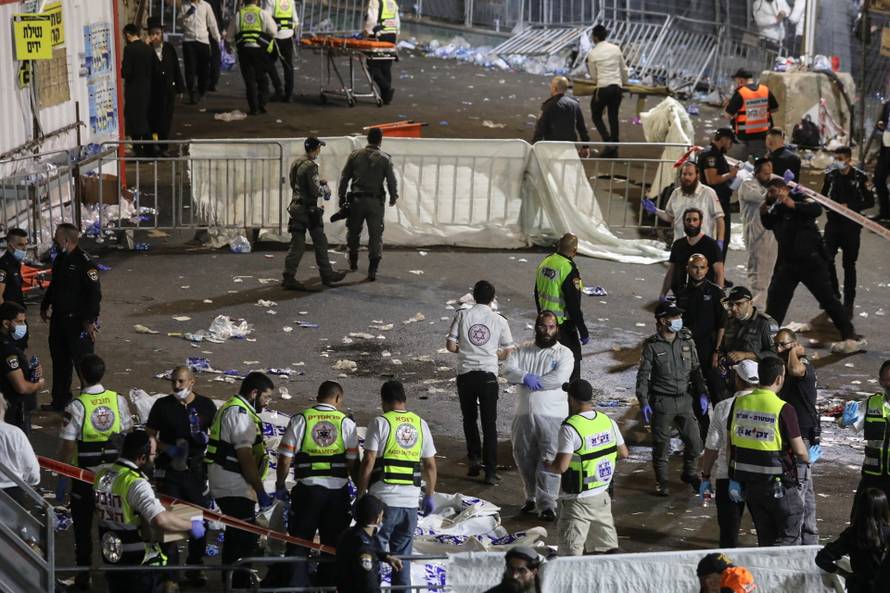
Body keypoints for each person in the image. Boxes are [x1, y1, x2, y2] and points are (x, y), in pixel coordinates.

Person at [271, 381, 358, 588]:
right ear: (338, 398)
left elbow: (284, 459)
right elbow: (353, 463)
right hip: (337, 495)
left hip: (307, 492)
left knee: (299, 544)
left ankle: (295, 587)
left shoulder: (301, 419)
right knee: (333, 547)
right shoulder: (345, 423)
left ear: (318, 396)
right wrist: (360, 492)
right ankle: (328, 587)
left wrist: (280, 484)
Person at [94, 430, 205, 593]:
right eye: (153, 455)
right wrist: (191, 525)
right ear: (142, 457)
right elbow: (160, 519)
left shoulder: (103, 475)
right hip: (138, 563)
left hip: (112, 554)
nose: (154, 458)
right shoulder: (135, 482)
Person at [57, 353, 133, 591]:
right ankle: (114, 574)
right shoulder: (117, 400)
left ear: (81, 375)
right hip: (113, 479)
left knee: (82, 527)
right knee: (112, 526)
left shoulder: (76, 406)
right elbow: (127, 433)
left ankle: (84, 574)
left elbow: (68, 445)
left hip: (84, 477)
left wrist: (62, 475)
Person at [761, 178, 861, 350]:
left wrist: (794, 205)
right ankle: (767, 338)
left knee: (827, 299)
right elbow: (769, 224)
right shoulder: (777, 208)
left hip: (810, 262)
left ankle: (848, 334)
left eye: (775, 191)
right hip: (789, 263)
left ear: (784, 189)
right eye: (770, 192)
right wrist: (764, 212)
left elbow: (816, 210)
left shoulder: (800, 197)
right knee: (776, 298)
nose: (772, 195)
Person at [356, 380, 437, 591]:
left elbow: (369, 459)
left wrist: (361, 493)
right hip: (410, 505)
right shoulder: (420, 423)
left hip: (383, 504)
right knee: (402, 562)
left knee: (372, 557)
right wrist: (429, 495)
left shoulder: (380, 422)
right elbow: (430, 465)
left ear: (383, 400)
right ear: (404, 399)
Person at [728, 356, 812, 546]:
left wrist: (733, 477)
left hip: (750, 485)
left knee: (765, 538)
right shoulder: (783, 408)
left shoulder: (738, 403)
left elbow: (730, 442)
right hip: (778, 485)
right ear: (779, 379)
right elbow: (800, 451)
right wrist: (809, 458)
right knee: (789, 535)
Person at [145, 366, 215, 589]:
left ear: (192, 382)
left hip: (195, 472)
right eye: (173, 381)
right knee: (171, 523)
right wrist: (166, 449)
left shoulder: (206, 406)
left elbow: (216, 434)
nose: (176, 386)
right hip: (170, 471)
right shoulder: (162, 406)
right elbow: (150, 434)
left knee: (199, 520)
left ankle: (195, 567)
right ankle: (171, 576)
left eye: (181, 382)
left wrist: (205, 439)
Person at [205, 372, 275, 589]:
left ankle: (231, 583)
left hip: (229, 482)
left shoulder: (233, 408)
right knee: (244, 539)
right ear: (254, 393)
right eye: (266, 397)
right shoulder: (240, 414)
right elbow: (245, 458)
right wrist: (260, 490)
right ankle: (239, 585)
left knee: (236, 536)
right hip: (233, 485)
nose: (267, 402)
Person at [505, 311, 574, 520]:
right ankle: (531, 497)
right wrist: (525, 376)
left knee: (549, 458)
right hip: (523, 414)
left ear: (557, 329)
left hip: (552, 415)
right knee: (524, 456)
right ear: (536, 327)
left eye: (551, 327)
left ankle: (548, 505)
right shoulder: (522, 350)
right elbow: (508, 370)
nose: (547, 331)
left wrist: (534, 382)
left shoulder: (564, 353)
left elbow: (559, 379)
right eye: (543, 326)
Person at [547, 379, 628, 555]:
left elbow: (561, 467)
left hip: (578, 501)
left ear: (572, 399)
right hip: (602, 497)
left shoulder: (570, 427)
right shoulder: (607, 421)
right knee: (607, 553)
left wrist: (548, 465)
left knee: (570, 554)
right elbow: (623, 453)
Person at [636, 301, 706, 497]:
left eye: (679, 316)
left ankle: (689, 473)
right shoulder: (652, 346)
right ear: (662, 320)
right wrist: (643, 401)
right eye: (674, 317)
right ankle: (662, 481)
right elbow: (643, 376)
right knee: (661, 446)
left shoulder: (686, 341)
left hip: (684, 400)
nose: (678, 320)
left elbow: (696, 369)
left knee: (695, 442)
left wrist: (702, 392)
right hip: (662, 402)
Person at [446, 280, 514, 484]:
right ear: (492, 299)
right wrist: (491, 355)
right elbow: (508, 351)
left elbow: (450, 346)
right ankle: (490, 472)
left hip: (466, 375)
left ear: (474, 297)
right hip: (488, 378)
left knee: (469, 419)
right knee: (489, 424)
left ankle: (474, 459)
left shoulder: (462, 315)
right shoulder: (500, 320)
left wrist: (466, 351)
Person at [40, 223, 101, 413]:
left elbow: (94, 295)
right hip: (59, 320)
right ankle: (60, 401)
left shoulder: (85, 263)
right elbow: (55, 285)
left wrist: (90, 321)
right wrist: (45, 304)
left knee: (83, 364)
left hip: (77, 322)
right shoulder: (60, 259)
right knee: (60, 361)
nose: (54, 241)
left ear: (66, 240)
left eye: (57, 238)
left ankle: (87, 405)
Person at [700, 360, 759, 548]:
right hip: (759, 476)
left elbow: (712, 445)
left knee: (728, 534)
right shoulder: (769, 406)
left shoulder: (723, 407)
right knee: (765, 531)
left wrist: (705, 476)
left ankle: (727, 565)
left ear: (738, 380)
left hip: (728, 476)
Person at [282, 137, 347, 290]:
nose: (319, 151)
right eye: (319, 148)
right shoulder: (311, 166)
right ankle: (327, 275)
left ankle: (288, 276)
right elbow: (314, 190)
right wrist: (323, 188)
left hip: (296, 207)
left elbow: (294, 184)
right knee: (320, 242)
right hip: (308, 210)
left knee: (297, 244)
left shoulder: (296, 162)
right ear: (314, 149)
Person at [774, 328, 820, 544]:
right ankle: (810, 541)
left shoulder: (803, 364)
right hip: (796, 435)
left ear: (794, 343)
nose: (778, 349)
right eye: (776, 344)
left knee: (798, 492)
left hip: (801, 437)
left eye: (783, 344)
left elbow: (795, 370)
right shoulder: (785, 365)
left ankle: (794, 542)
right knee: (807, 492)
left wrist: (794, 350)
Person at [338, 127, 398, 281]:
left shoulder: (355, 155)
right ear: (380, 140)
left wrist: (341, 196)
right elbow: (391, 180)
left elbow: (344, 177)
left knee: (353, 232)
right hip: (375, 202)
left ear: (368, 138)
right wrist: (393, 196)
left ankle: (353, 260)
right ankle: (373, 269)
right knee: (375, 236)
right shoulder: (385, 159)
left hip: (356, 200)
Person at [675, 254, 727, 433]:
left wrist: (717, 351)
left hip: (708, 348)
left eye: (702, 267)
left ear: (707, 270)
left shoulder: (716, 293)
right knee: (695, 390)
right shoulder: (682, 292)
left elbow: (722, 324)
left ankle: (723, 431)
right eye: (695, 267)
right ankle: (704, 433)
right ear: (688, 269)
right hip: (688, 349)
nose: (698, 271)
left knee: (717, 391)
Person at [822, 146, 875, 319]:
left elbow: (869, 202)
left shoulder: (860, 178)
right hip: (833, 225)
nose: (837, 162)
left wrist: (849, 207)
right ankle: (833, 295)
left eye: (840, 158)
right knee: (826, 259)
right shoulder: (831, 176)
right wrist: (829, 206)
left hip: (851, 227)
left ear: (849, 160)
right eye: (835, 158)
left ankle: (849, 302)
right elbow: (822, 197)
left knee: (849, 265)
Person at [534, 233, 588, 381]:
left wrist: (541, 317)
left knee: (547, 362)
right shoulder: (568, 269)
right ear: (575, 250)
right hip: (563, 327)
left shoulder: (546, 262)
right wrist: (583, 330)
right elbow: (573, 305)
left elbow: (537, 292)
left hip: (544, 324)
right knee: (572, 362)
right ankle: (572, 393)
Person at [836, 360, 890, 508]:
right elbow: (845, 422)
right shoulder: (871, 403)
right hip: (872, 476)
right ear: (881, 381)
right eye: (887, 379)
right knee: (862, 516)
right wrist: (844, 421)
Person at [815, 487, 890, 593]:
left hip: (859, 587)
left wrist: (846, 574)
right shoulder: (887, 533)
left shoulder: (852, 534)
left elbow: (822, 558)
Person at [644, 161, 725, 245]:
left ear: (697, 175)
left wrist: (720, 241)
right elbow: (670, 217)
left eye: (690, 174)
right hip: (680, 244)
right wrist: (655, 210)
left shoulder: (708, 193)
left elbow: (719, 219)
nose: (686, 177)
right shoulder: (676, 193)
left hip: (703, 245)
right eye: (684, 174)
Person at [335, 494, 403, 593]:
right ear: (377, 519)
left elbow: (369, 549)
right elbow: (369, 584)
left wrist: (385, 556)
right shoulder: (364, 549)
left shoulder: (349, 534)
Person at [737, 158, 778, 308]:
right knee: (758, 277)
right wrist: (781, 189)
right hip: (756, 236)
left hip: (769, 235)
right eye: (765, 174)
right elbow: (764, 198)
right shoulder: (748, 185)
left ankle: (763, 309)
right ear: (756, 172)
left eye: (770, 173)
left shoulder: (765, 184)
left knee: (768, 275)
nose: (769, 176)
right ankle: (756, 311)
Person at [0, 302, 43, 436]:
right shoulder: (8, 350)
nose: (23, 326)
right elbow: (21, 387)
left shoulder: (9, 344)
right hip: (12, 413)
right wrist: (38, 384)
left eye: (24, 321)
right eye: (19, 322)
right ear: (6, 323)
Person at [659, 209, 724, 298]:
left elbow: (719, 273)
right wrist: (663, 293)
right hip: (681, 295)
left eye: (695, 220)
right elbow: (671, 272)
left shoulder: (711, 245)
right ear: (684, 222)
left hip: (704, 296)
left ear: (700, 222)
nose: (691, 223)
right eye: (688, 220)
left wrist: (719, 297)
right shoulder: (678, 245)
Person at [227, 0, 277, 115]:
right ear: (257, 1)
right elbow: (273, 31)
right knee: (262, 78)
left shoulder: (239, 15)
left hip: (244, 51)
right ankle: (262, 102)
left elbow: (229, 36)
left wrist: (232, 46)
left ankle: (254, 108)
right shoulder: (263, 13)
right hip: (260, 50)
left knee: (249, 80)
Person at [585, 24, 627, 158]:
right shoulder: (616, 49)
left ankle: (608, 142)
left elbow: (594, 76)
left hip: (603, 88)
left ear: (595, 38)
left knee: (596, 115)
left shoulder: (592, 54)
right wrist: (624, 82)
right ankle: (614, 147)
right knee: (613, 116)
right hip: (617, 88)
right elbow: (623, 69)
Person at [698, 128, 739, 262]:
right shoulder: (711, 154)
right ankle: (714, 270)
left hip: (719, 200)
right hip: (715, 202)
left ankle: (717, 269)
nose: (730, 146)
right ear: (724, 140)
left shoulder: (717, 154)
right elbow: (712, 179)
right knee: (718, 237)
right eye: (730, 142)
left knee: (721, 237)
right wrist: (731, 175)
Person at [147, 18, 183, 157]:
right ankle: (154, 146)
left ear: (162, 33)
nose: (155, 37)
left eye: (157, 33)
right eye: (152, 34)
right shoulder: (147, 50)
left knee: (166, 119)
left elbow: (176, 68)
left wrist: (180, 88)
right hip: (153, 92)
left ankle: (163, 146)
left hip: (168, 90)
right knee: (154, 119)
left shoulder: (168, 48)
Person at [725, 68, 778, 161]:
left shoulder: (740, 93)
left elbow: (728, 115)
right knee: (760, 163)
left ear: (741, 80)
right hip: (762, 136)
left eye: (737, 81)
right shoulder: (765, 90)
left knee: (739, 164)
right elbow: (775, 109)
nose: (737, 84)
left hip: (744, 137)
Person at [121, 24, 156, 157]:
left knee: (134, 120)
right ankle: (149, 149)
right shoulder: (148, 49)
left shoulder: (129, 49)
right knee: (145, 118)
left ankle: (138, 149)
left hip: (133, 89)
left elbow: (126, 72)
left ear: (128, 34)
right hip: (147, 87)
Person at [0, 396, 40, 507]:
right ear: (3, 409)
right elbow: (32, 469)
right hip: (11, 492)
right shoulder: (15, 434)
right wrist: (30, 482)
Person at [532, 76, 590, 147]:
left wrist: (535, 145)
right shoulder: (575, 104)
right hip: (570, 146)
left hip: (553, 146)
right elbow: (582, 127)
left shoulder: (548, 105)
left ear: (555, 88)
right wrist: (585, 146)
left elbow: (540, 128)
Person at [180, 0, 220, 105]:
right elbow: (180, 23)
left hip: (203, 41)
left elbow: (212, 23)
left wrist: (217, 38)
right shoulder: (185, 6)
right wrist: (187, 15)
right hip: (189, 41)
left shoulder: (206, 6)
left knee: (204, 69)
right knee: (190, 69)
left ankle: (201, 91)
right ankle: (192, 93)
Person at [364, 0, 400, 104]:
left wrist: (366, 32)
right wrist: (396, 36)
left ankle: (386, 88)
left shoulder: (375, 1)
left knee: (372, 65)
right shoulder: (392, 1)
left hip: (380, 35)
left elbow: (372, 20)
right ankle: (386, 97)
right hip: (391, 35)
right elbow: (397, 21)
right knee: (386, 66)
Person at [262, 0, 297, 102]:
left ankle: (278, 88)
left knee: (267, 63)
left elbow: (266, 18)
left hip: (275, 37)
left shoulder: (271, 1)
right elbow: (295, 20)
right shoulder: (290, 1)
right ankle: (289, 94)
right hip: (288, 37)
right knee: (288, 65)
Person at [0, 228, 28, 310]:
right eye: (20, 245)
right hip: (10, 314)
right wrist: (7, 315)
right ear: (10, 246)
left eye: (26, 244)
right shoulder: (3, 265)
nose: (25, 248)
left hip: (18, 310)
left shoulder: (16, 263)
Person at [872, 100, 890, 222]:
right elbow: (883, 122)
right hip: (886, 147)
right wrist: (881, 125)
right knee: (878, 178)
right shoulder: (888, 104)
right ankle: (885, 212)